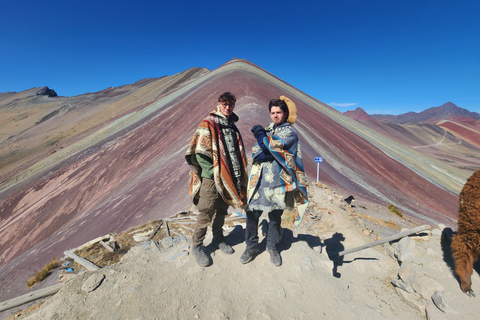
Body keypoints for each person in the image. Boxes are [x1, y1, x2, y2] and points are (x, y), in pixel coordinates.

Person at [240, 96, 308, 267]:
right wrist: (264, 144)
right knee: (252, 214)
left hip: (278, 182)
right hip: (261, 181)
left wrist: (261, 137)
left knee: (275, 217)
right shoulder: (270, 129)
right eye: (272, 112)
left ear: (285, 114)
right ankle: (251, 246)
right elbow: (259, 150)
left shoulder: (289, 132)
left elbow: (271, 148)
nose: (275, 115)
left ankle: (272, 246)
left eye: (279, 112)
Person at [185, 92, 248, 267]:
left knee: (222, 209)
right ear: (219, 104)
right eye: (225, 104)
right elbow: (200, 150)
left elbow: (237, 151)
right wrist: (212, 173)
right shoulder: (209, 122)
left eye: (231, 105)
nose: (228, 107)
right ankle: (197, 246)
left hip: (228, 177)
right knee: (206, 211)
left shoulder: (232, 126)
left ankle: (218, 238)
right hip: (211, 178)